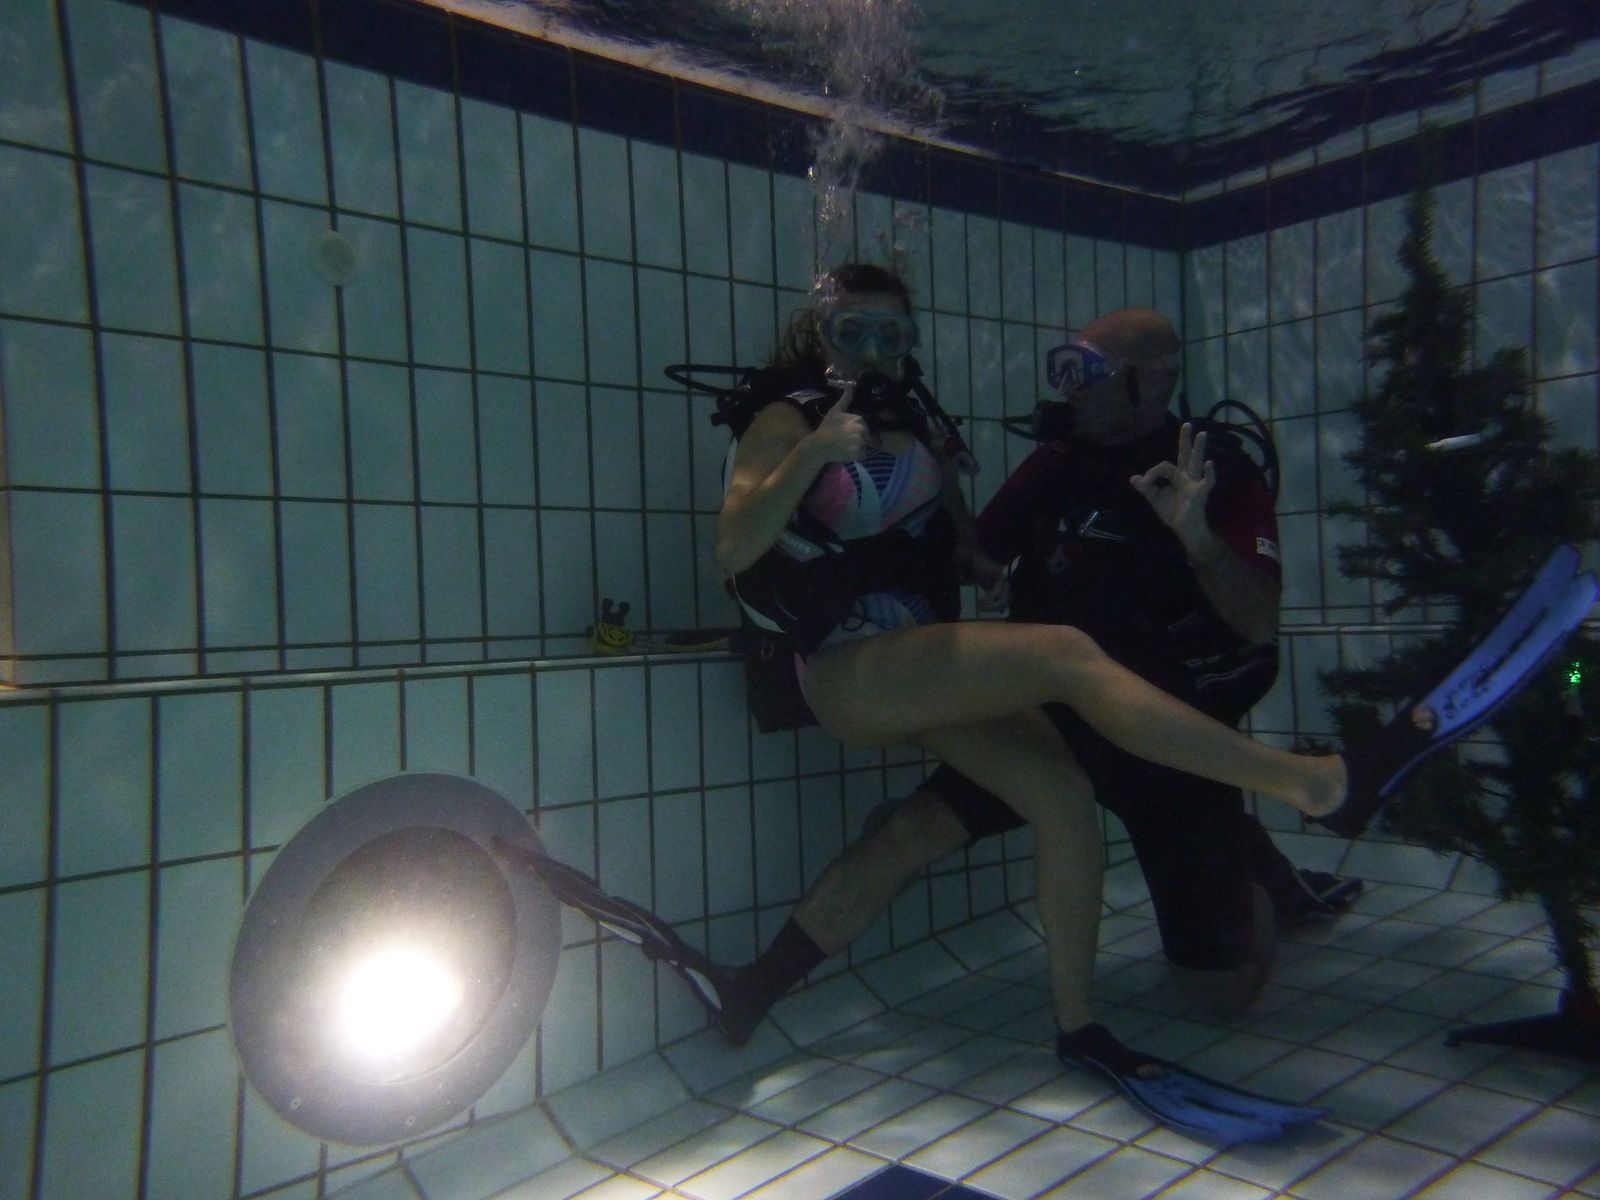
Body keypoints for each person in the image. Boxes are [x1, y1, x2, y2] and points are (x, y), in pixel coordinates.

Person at [506, 264, 1534, 1141]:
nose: (875, 351)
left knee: (1055, 800)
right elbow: (733, 546)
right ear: (818, 335)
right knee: (1066, 657)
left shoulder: (918, 423)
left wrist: (986, 538)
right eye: (853, 332)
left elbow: (965, 551)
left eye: (893, 335)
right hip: (848, 667)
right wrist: (812, 453)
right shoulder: (785, 417)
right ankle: (1316, 785)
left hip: (935, 665)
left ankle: (1049, 1022)